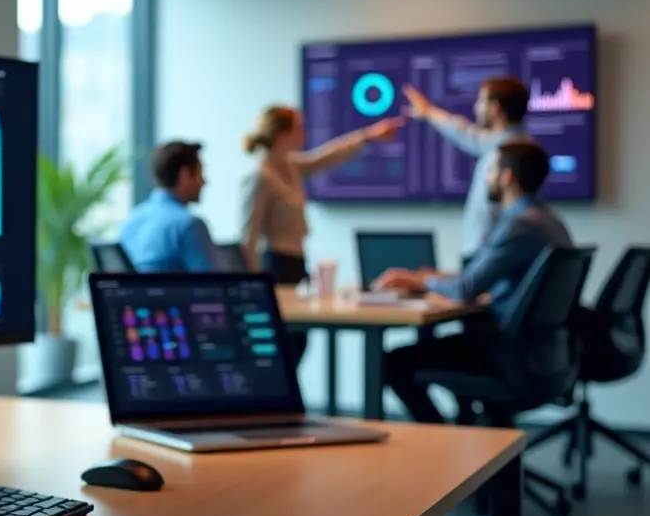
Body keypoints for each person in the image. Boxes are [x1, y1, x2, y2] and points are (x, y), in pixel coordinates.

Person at [374, 140, 572, 424]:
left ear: (507, 177)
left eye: (490, 171)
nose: (485, 179)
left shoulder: (520, 224)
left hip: (508, 355)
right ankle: (459, 440)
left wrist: (420, 280)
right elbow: (484, 281)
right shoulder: (548, 219)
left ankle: (441, 442)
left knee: (390, 364)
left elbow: (467, 289)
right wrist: (434, 279)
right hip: (540, 353)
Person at [240, 105, 403, 366]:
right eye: (299, 127)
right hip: (275, 266)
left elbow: (326, 157)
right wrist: (250, 288)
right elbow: (248, 236)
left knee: (298, 341)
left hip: (295, 264)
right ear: (282, 134)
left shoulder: (290, 166)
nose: (304, 133)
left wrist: (367, 136)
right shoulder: (261, 177)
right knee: (285, 346)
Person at [403, 76, 532, 264]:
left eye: (481, 101)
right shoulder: (506, 145)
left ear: (495, 108)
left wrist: (429, 112)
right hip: (485, 251)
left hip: (489, 254)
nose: (476, 108)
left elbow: (464, 132)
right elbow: (466, 133)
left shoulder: (509, 149)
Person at [119, 141, 223, 272]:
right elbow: (218, 286)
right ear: (185, 175)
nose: (204, 182)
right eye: (200, 174)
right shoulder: (189, 225)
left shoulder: (131, 221)